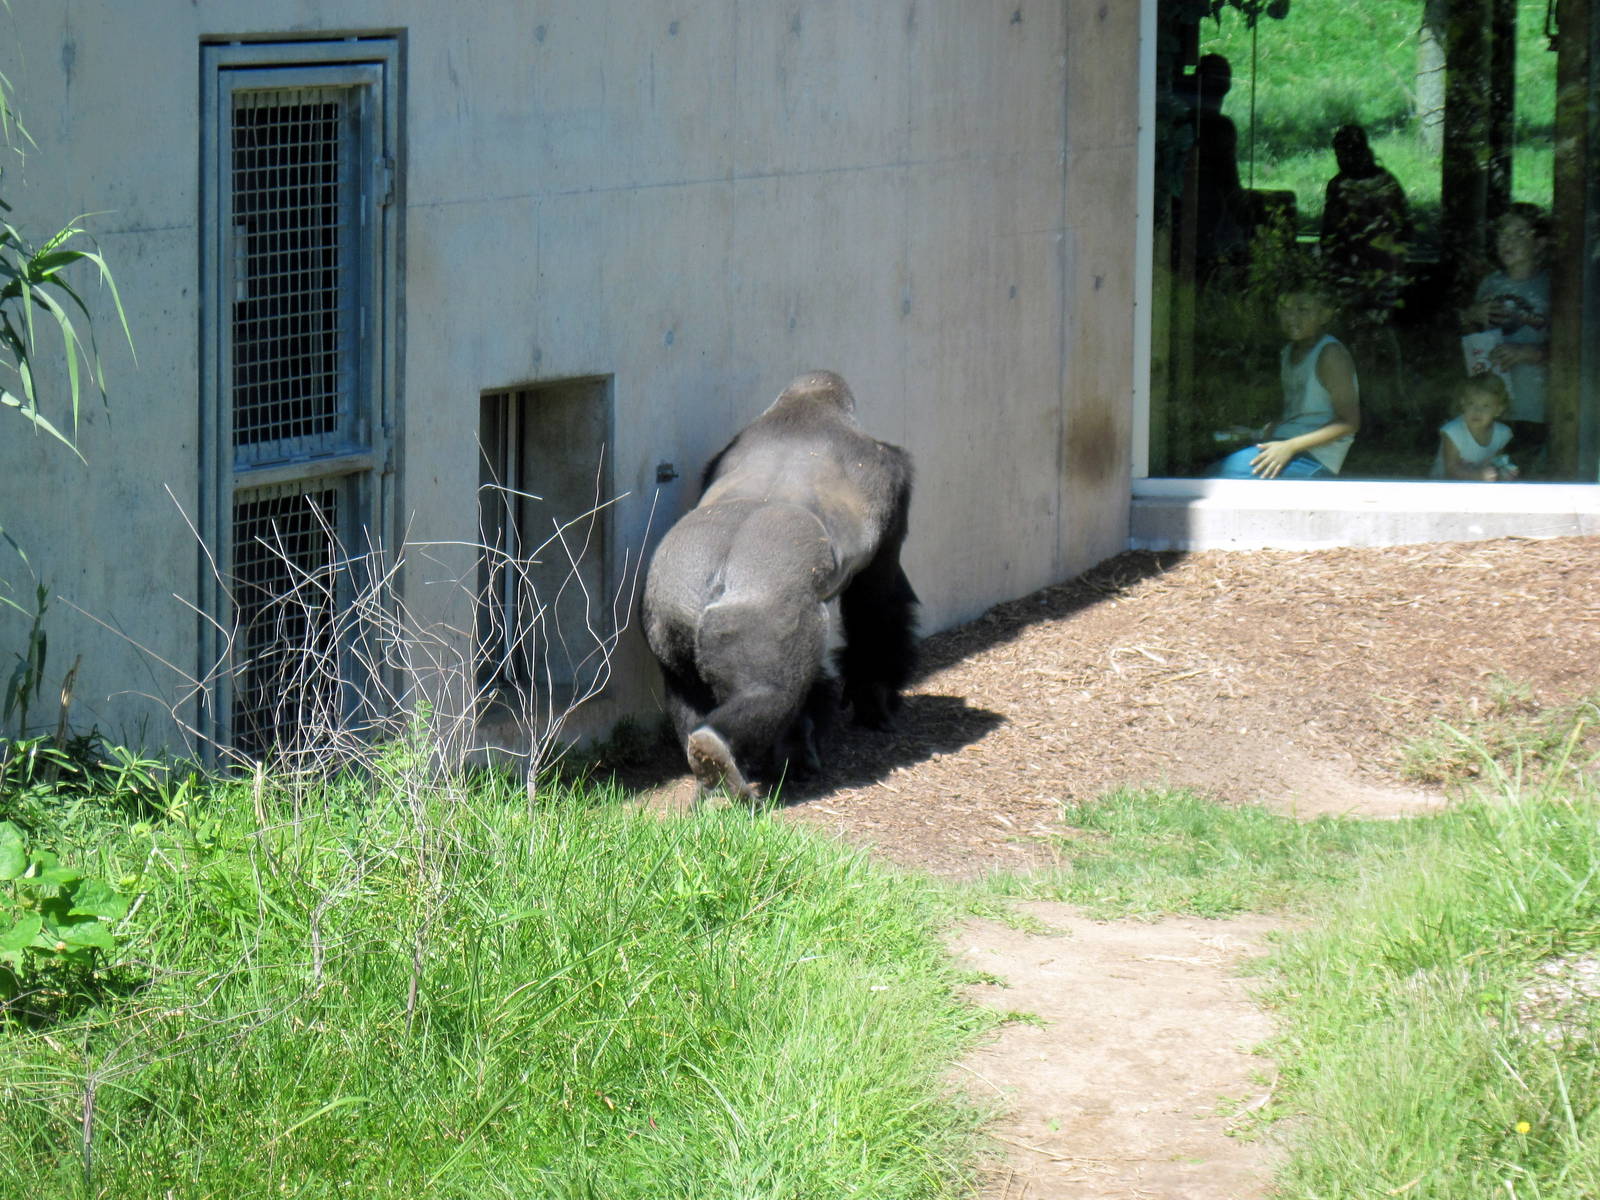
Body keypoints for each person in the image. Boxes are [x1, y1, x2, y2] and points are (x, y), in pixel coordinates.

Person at [1212, 277, 1360, 479]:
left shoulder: (1330, 354)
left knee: (1220, 476)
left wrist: (1289, 446)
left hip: (1315, 458)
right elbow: (1300, 414)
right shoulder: (1288, 351)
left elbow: (1349, 422)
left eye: (1302, 310)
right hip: (1288, 445)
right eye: (1285, 309)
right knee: (1214, 466)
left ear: (1325, 315)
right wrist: (1256, 433)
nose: (1291, 317)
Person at [1461, 203, 1551, 454]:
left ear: (1540, 243)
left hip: (1536, 404)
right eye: (1503, 234)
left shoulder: (1552, 286)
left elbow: (1575, 345)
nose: (1508, 241)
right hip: (1491, 405)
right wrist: (1472, 315)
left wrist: (1529, 353)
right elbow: (1469, 336)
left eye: (1520, 234)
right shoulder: (1490, 284)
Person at [1320, 125, 1412, 324]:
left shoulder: (1385, 184)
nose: (1345, 158)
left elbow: (1404, 230)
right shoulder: (1339, 185)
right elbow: (1329, 234)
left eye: (1351, 151)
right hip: (1350, 273)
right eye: (1340, 153)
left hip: (1380, 272)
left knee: (1376, 327)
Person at [1430, 374, 1517, 481]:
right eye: (1471, 403)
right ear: (1463, 403)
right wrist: (1478, 476)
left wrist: (1504, 472)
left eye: (1485, 406)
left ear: (1498, 410)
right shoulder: (1453, 432)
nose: (1477, 411)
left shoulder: (1501, 434)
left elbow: (1497, 462)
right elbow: (1451, 470)